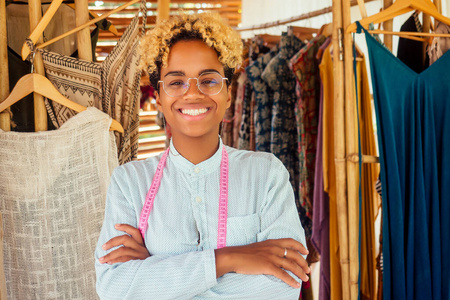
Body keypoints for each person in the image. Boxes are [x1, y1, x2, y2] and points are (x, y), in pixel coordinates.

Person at [95, 13, 310, 299]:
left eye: (209, 81)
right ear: (158, 96)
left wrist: (152, 271)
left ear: (228, 93)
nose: (193, 94)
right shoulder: (130, 183)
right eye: (176, 82)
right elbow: (114, 288)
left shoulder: (267, 175)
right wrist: (229, 258)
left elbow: (285, 285)